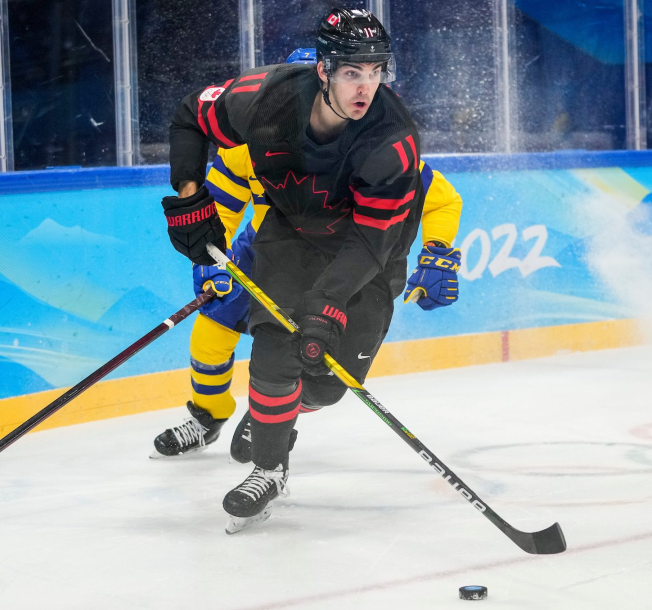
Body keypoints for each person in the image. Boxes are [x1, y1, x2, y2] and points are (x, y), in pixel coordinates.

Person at [159, 8, 464, 531]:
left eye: (376, 72)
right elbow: (192, 116)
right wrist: (191, 200)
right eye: (352, 72)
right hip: (290, 238)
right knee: (275, 350)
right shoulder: (265, 100)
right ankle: (269, 468)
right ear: (322, 70)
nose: (365, 87)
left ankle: (272, 414)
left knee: (325, 379)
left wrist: (329, 303)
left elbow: (371, 242)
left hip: (368, 257)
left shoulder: (392, 143)